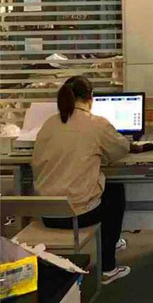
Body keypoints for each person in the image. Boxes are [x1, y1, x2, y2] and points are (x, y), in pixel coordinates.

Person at [32, 76, 131, 285]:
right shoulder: (96, 124)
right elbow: (121, 149)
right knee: (115, 192)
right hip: (77, 215)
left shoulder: (49, 124)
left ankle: (111, 242)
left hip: (47, 213)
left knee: (104, 191)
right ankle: (108, 265)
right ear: (90, 97)